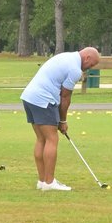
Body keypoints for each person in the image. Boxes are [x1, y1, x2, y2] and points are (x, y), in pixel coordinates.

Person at [20, 47, 101, 191]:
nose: (90, 68)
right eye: (92, 64)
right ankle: (49, 183)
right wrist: (62, 121)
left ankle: (43, 181)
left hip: (29, 97)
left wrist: (58, 119)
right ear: (87, 57)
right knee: (52, 139)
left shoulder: (66, 56)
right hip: (43, 99)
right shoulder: (75, 69)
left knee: (41, 139)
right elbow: (65, 97)